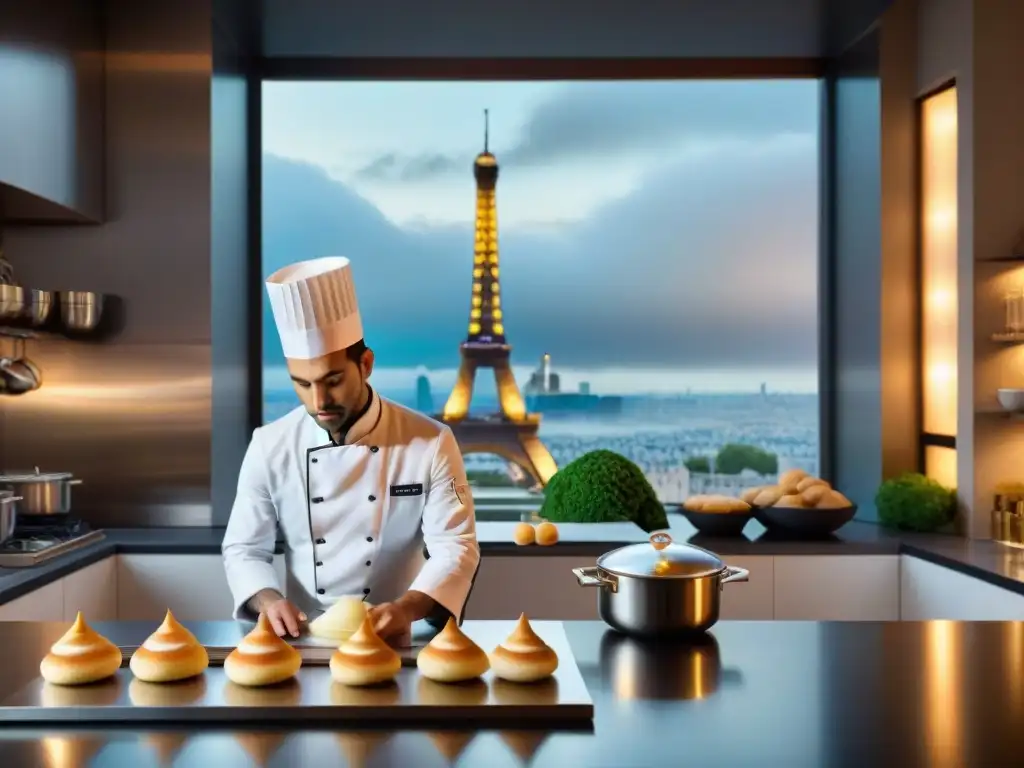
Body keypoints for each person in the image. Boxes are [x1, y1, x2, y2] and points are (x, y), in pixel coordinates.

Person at [222, 256, 480, 642]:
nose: (319, 400)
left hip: (394, 640)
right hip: (305, 642)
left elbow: (455, 546)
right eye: (302, 384)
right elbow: (244, 549)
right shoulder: (269, 445)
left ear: (366, 364)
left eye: (333, 380)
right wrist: (269, 601)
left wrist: (406, 608)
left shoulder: (431, 441)